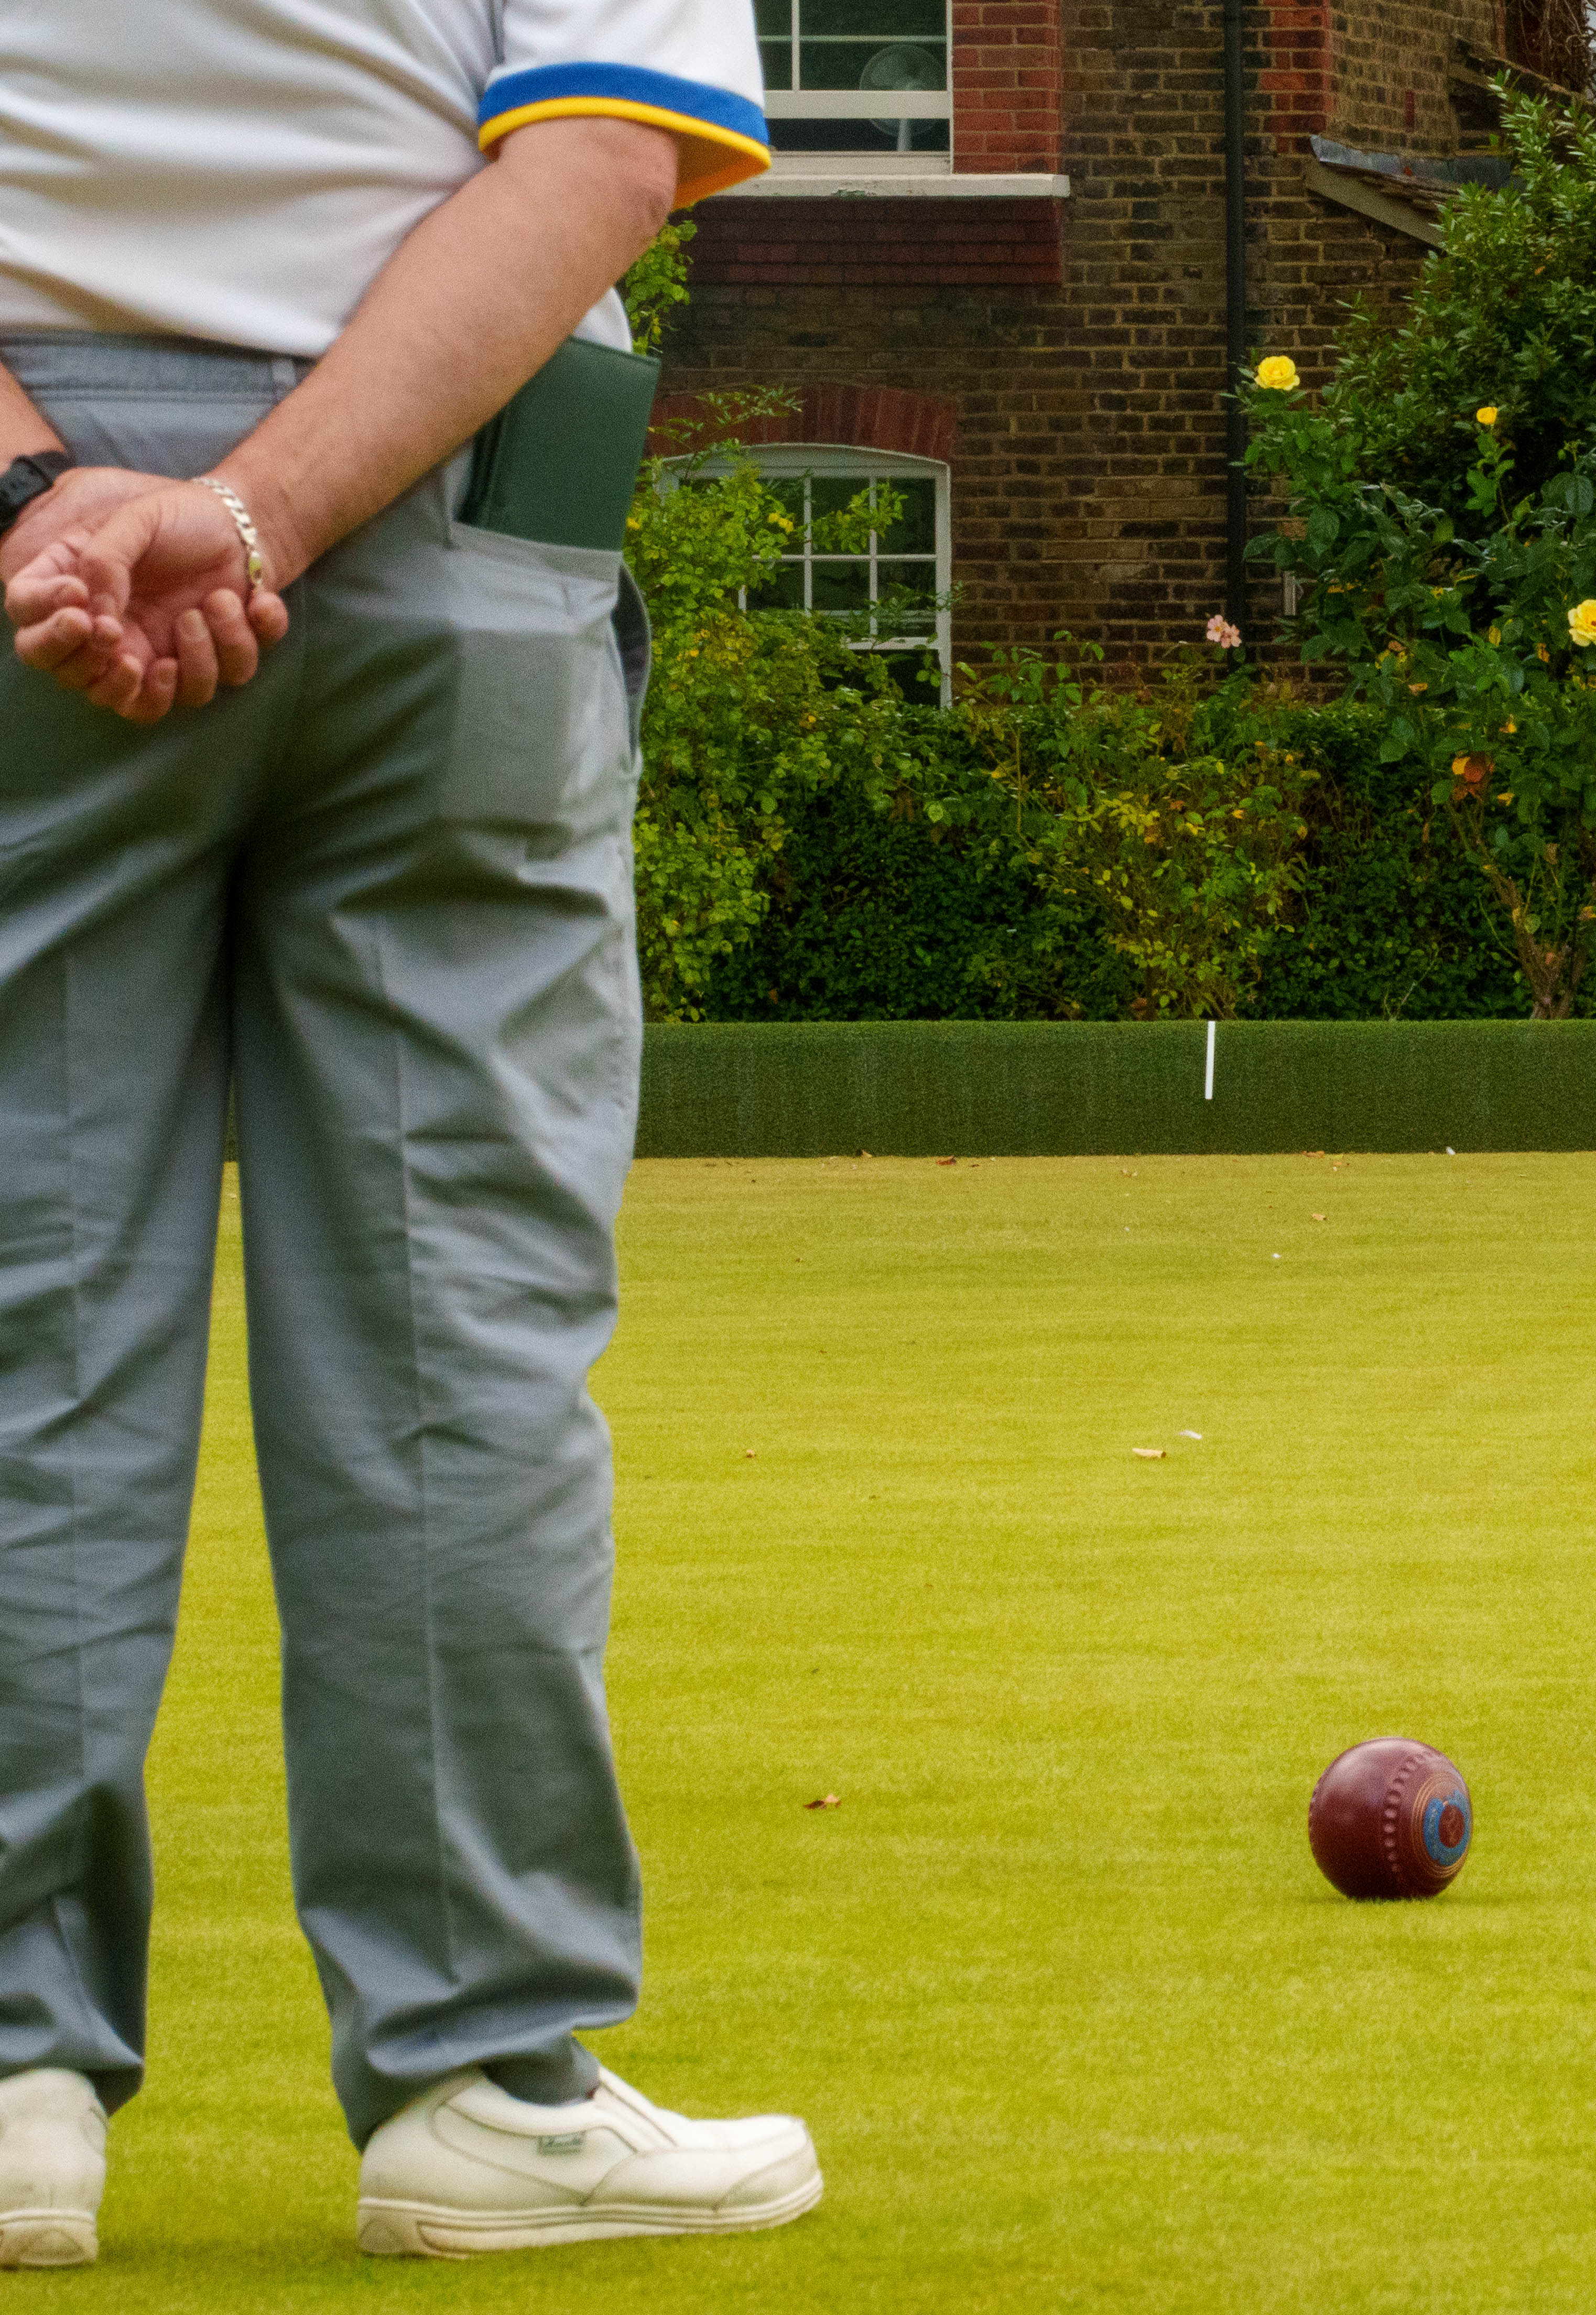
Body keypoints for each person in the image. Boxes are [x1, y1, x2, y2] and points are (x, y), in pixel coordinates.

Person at [0, 2, 821, 2267]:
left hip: (21, 541)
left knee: (14, 1305)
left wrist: (41, 498)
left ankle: (7, 2083)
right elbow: (604, 160)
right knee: (456, 1323)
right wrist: (254, 508)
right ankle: (480, 2078)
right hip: (448, 519)